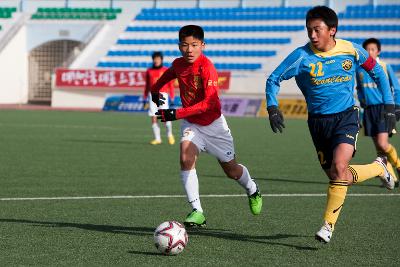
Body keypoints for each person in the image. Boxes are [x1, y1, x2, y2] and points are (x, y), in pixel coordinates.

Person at [265, 6, 397, 243]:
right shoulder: (301, 56)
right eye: (309, 30)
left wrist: (389, 105)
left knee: (338, 167)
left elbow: (377, 71)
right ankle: (379, 167)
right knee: (339, 175)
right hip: (317, 123)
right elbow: (274, 78)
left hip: (346, 116)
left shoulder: (351, 50)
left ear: (332, 30)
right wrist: (272, 106)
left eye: (317, 30)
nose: (313, 35)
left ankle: (327, 226)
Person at [151, 25, 262, 227]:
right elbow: (165, 77)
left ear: (203, 45)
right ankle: (197, 211)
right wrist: (155, 90)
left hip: (215, 126)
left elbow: (208, 104)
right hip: (192, 125)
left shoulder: (207, 67)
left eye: (194, 45)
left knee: (232, 171)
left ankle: (253, 189)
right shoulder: (178, 64)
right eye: (185, 45)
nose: (189, 49)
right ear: (179, 46)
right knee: (186, 157)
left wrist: (176, 113)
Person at [356, 38, 400, 187]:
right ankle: (390, 178)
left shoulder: (384, 67)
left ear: (378, 51)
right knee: (378, 148)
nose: (370, 52)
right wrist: (362, 100)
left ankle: (398, 165)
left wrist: (397, 106)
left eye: (373, 49)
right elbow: (359, 89)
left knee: (383, 143)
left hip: (382, 109)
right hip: (369, 111)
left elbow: (397, 88)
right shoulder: (360, 69)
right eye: (367, 49)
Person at [144, 51, 175, 145]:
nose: (156, 60)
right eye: (155, 59)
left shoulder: (166, 70)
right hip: (152, 95)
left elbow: (171, 85)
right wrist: (145, 97)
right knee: (153, 117)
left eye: (158, 59)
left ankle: (169, 135)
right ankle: (157, 139)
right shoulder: (149, 71)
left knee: (165, 116)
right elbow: (147, 85)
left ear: (161, 60)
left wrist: (172, 97)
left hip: (162, 95)